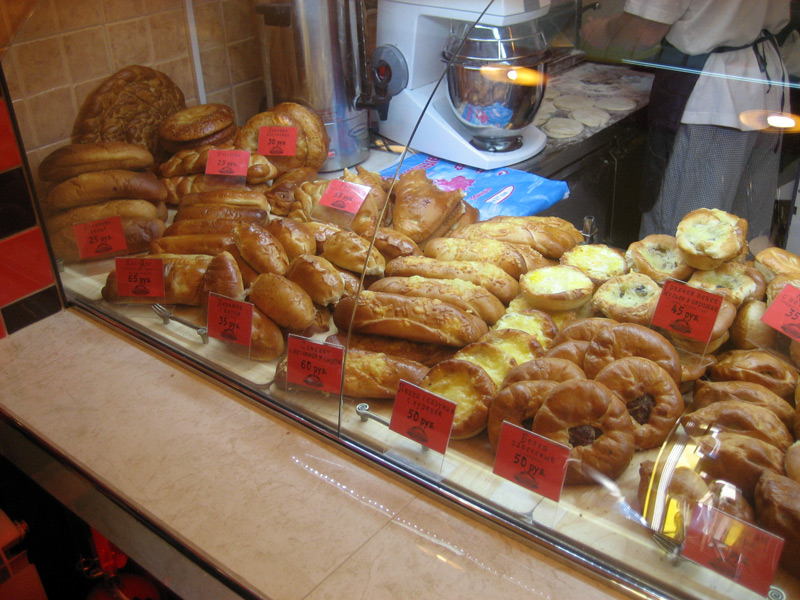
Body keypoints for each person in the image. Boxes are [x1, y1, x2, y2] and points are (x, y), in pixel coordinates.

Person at [581, 1, 790, 243]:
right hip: (763, 86)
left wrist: (602, 31)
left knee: (684, 240)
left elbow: (644, 30)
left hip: (715, 100)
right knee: (741, 236)